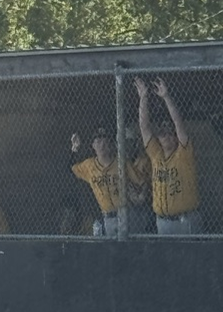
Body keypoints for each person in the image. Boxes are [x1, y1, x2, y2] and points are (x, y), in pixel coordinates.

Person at [135, 76, 202, 235]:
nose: (167, 137)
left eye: (171, 134)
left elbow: (179, 124)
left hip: (185, 220)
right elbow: (144, 127)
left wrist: (166, 97)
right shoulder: (156, 154)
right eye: (163, 134)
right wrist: (143, 98)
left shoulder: (183, 154)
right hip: (162, 221)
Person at [70, 127, 141, 237]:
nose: (102, 145)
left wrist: (135, 193)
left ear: (110, 144)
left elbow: (139, 182)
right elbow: (73, 169)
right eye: (98, 141)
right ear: (93, 145)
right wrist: (74, 149)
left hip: (127, 214)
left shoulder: (121, 162)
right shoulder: (89, 165)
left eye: (105, 140)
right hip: (107, 217)